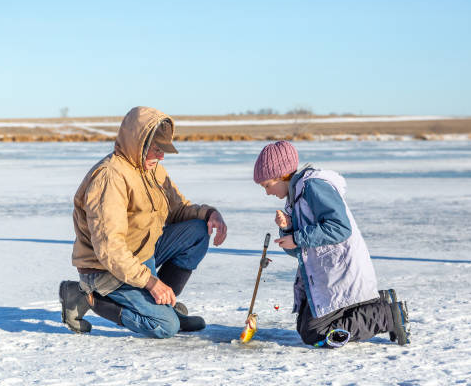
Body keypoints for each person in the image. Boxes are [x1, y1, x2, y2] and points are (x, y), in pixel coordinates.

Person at [59, 106, 227, 339]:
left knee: (197, 232)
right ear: (138, 144)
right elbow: (111, 250)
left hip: (142, 254)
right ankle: (87, 298)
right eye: (157, 150)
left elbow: (178, 209)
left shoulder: (152, 169)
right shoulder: (110, 177)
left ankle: (163, 305)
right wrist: (151, 283)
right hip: (105, 270)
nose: (161, 156)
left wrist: (209, 214)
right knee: (165, 327)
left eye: (163, 150)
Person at [252, 140, 410, 347]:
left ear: (282, 175)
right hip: (324, 276)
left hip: (341, 270)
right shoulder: (295, 199)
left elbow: (340, 227)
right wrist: (288, 229)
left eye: (267, 185)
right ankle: (377, 302)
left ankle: (387, 315)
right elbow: (299, 251)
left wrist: (297, 238)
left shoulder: (313, 187)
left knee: (315, 332)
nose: (267, 192)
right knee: (305, 327)